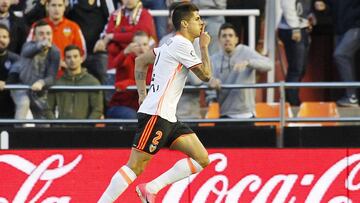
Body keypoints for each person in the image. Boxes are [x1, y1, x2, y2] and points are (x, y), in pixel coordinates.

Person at [98, 2, 211, 202]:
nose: (201, 23)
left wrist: (143, 95)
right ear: (185, 24)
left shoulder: (169, 42)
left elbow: (140, 61)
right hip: (157, 115)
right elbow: (206, 76)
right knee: (135, 166)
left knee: (201, 158)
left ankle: (151, 188)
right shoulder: (182, 45)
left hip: (167, 116)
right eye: (197, 19)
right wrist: (204, 46)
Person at [208, 23, 272, 121]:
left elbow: (269, 65)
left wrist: (249, 63)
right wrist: (211, 81)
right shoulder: (214, 59)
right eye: (224, 36)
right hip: (225, 114)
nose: (227, 39)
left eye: (230, 35)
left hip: (247, 114)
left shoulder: (246, 51)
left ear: (236, 39)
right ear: (219, 41)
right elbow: (206, 78)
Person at [7, 20, 60, 120]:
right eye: (41, 34)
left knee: (44, 121)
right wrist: (40, 46)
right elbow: (28, 52)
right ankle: (18, 135)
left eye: (48, 33)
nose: (45, 37)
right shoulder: (27, 45)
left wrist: (42, 82)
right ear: (34, 37)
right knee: (23, 103)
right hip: (21, 85)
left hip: (39, 90)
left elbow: (52, 76)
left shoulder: (55, 52)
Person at [315, 0, 360, 107]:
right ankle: (350, 95)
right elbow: (329, 7)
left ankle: (351, 96)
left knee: (341, 55)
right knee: (344, 59)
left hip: (356, 26)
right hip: (339, 28)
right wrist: (323, 7)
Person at [26, 0, 87, 77]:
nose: (57, 9)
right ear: (47, 7)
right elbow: (27, 51)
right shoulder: (37, 26)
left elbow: (82, 53)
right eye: (53, 5)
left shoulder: (73, 27)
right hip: (42, 75)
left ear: (64, 7)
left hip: (67, 76)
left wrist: (67, 63)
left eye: (60, 5)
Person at [48, 45, 103, 121]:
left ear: (81, 59)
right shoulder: (57, 83)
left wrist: (87, 126)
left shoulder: (92, 82)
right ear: (64, 60)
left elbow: (97, 109)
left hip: (84, 130)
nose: (72, 60)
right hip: (61, 130)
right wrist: (56, 125)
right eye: (68, 57)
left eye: (75, 56)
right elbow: (48, 109)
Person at [107, 31, 152, 119]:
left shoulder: (152, 62)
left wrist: (128, 83)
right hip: (121, 106)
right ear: (131, 46)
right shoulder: (126, 59)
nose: (142, 48)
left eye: (145, 44)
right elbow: (114, 65)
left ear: (149, 46)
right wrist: (125, 52)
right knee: (132, 116)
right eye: (137, 45)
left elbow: (148, 82)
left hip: (142, 108)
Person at [278, 0, 312, 106]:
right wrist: (295, 27)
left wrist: (309, 18)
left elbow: (304, 6)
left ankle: (290, 98)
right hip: (292, 29)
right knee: (296, 68)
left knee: (301, 68)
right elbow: (287, 5)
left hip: (302, 27)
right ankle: (292, 101)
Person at [0, 24, 20, 118]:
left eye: (4, 37)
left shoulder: (15, 58)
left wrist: (6, 83)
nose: (1, 40)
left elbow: (15, 76)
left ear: (9, 39)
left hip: (8, 107)